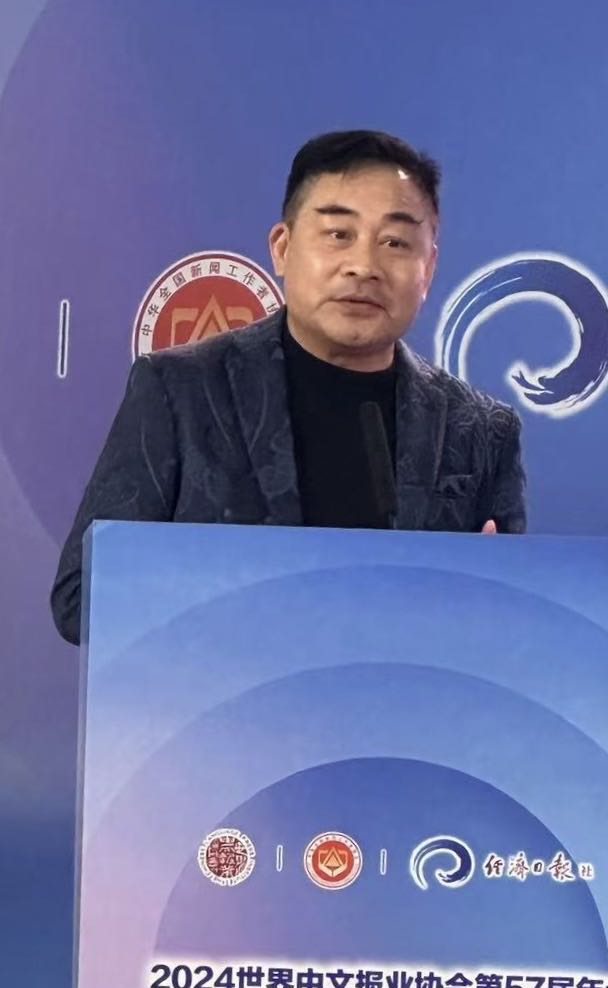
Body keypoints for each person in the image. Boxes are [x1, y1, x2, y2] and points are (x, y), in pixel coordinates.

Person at [50, 129, 527, 644]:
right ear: (282, 247)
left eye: (394, 242)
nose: (363, 266)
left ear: (428, 268)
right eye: (338, 234)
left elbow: (514, 629)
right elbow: (82, 598)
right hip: (224, 692)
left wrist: (491, 599)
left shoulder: (482, 430)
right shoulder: (181, 391)